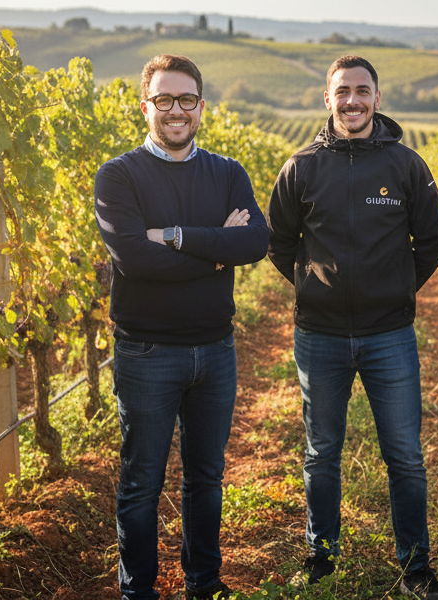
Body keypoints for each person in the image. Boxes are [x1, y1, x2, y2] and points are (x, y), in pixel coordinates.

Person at [267, 55, 438, 599]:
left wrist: (394, 289)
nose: (352, 100)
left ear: (377, 97)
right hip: (319, 336)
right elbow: (280, 244)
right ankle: (321, 556)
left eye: (362, 91)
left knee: (405, 455)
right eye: (342, 91)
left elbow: (432, 243)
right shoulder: (300, 167)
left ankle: (416, 565)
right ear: (327, 99)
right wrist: (311, 287)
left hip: (388, 334)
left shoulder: (406, 166)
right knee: (322, 453)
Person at [95, 54, 269, 600]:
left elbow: (255, 243)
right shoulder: (118, 175)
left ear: (200, 106)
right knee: (142, 483)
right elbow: (134, 260)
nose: (176, 110)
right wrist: (216, 248)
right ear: (145, 106)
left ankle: (203, 585)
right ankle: (138, 591)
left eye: (186, 100)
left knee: (206, 480)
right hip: (147, 354)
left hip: (215, 350)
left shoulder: (227, 172)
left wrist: (170, 235)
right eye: (165, 100)